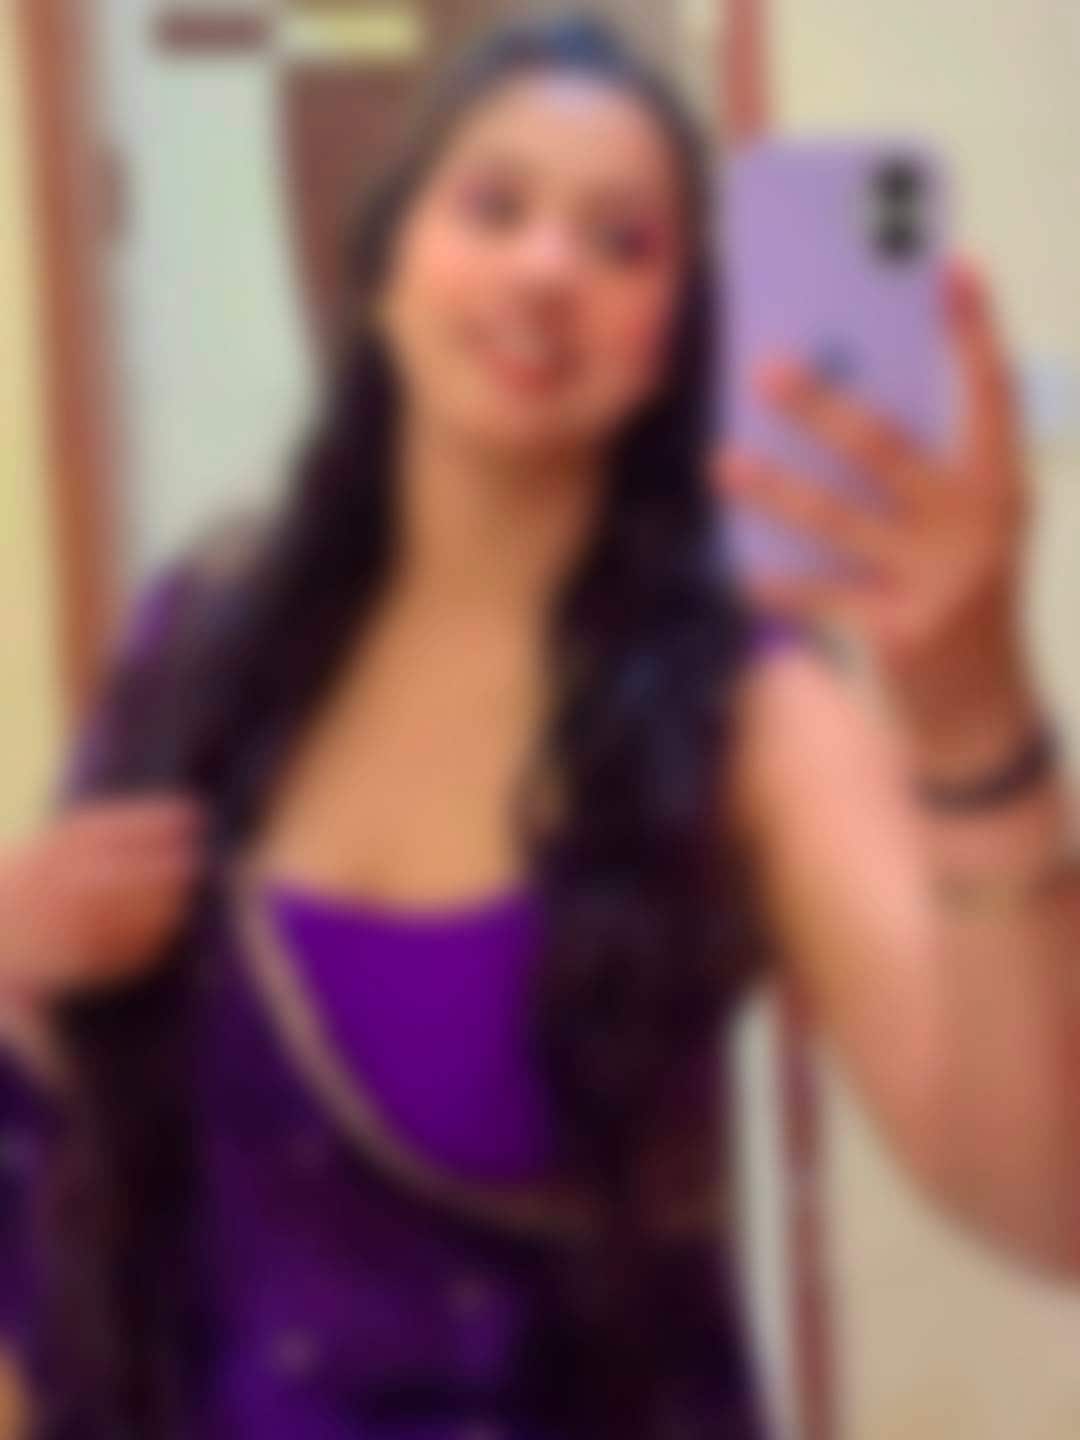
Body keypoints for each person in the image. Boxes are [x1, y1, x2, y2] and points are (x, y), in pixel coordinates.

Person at [0, 14, 1077, 1440]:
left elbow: (1046, 1196)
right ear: (385, 264)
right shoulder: (199, 634)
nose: (545, 267)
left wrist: (967, 702)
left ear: (671, 340)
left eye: (623, 242)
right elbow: (60, 1149)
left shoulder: (746, 707)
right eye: (493, 205)